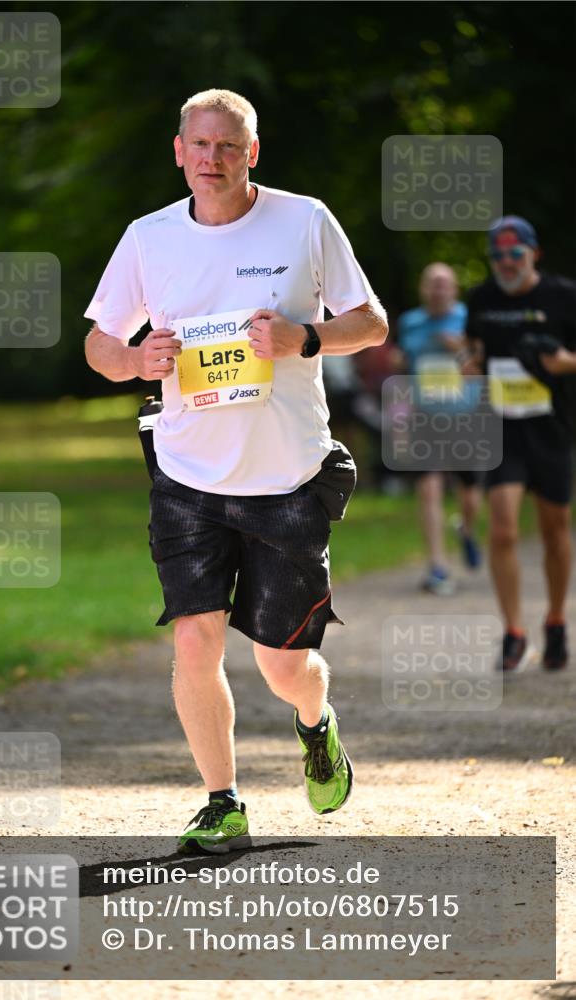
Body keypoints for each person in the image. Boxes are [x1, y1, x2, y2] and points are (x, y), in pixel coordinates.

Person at [83, 89, 388, 852]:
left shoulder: (303, 220)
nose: (211, 159)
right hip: (186, 476)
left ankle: (314, 724)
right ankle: (222, 802)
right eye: (199, 144)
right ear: (178, 151)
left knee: (284, 667)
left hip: (287, 479)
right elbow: (99, 342)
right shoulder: (148, 237)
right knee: (194, 640)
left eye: (227, 146)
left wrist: (303, 338)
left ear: (251, 153)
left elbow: (370, 323)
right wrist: (133, 360)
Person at [465, 216, 576, 671]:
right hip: (502, 429)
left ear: (534, 254)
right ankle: (514, 631)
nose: (506, 263)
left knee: (555, 528)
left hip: (552, 428)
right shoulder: (481, 299)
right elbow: (471, 348)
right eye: (498, 256)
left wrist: (566, 362)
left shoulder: (563, 296)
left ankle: (556, 620)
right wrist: (469, 363)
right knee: (503, 528)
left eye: (515, 254)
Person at [397, 263, 482, 595]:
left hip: (465, 416)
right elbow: (405, 372)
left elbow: (481, 370)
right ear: (423, 289)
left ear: (454, 289)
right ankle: (438, 567)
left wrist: (459, 351)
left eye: (444, 284)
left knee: (470, 494)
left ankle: (466, 529)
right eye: (432, 284)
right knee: (429, 489)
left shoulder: (469, 320)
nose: (438, 290)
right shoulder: (410, 323)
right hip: (425, 417)